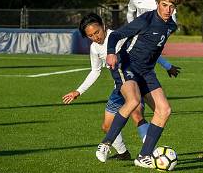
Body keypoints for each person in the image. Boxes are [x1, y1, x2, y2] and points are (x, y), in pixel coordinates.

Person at [96, 0, 185, 169]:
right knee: (134, 100)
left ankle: (143, 156)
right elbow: (116, 35)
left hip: (146, 71)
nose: (168, 10)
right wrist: (111, 52)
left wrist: (167, 67)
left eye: (172, 6)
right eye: (165, 4)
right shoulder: (146, 20)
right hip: (126, 64)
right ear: (158, 2)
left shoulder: (171, 26)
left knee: (164, 110)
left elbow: (154, 49)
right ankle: (105, 144)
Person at [62, 13, 145, 160]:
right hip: (119, 88)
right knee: (107, 126)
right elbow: (95, 71)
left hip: (134, 83)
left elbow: (143, 51)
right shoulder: (94, 48)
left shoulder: (118, 36)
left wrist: (166, 65)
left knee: (137, 115)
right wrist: (78, 91)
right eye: (90, 35)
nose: (96, 37)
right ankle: (123, 153)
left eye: (97, 32)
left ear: (104, 26)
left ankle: (149, 151)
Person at [127, 0, 181, 78]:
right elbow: (130, 13)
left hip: (156, 33)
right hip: (139, 35)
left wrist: (166, 31)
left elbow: (173, 18)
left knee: (150, 55)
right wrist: (133, 29)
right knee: (137, 61)